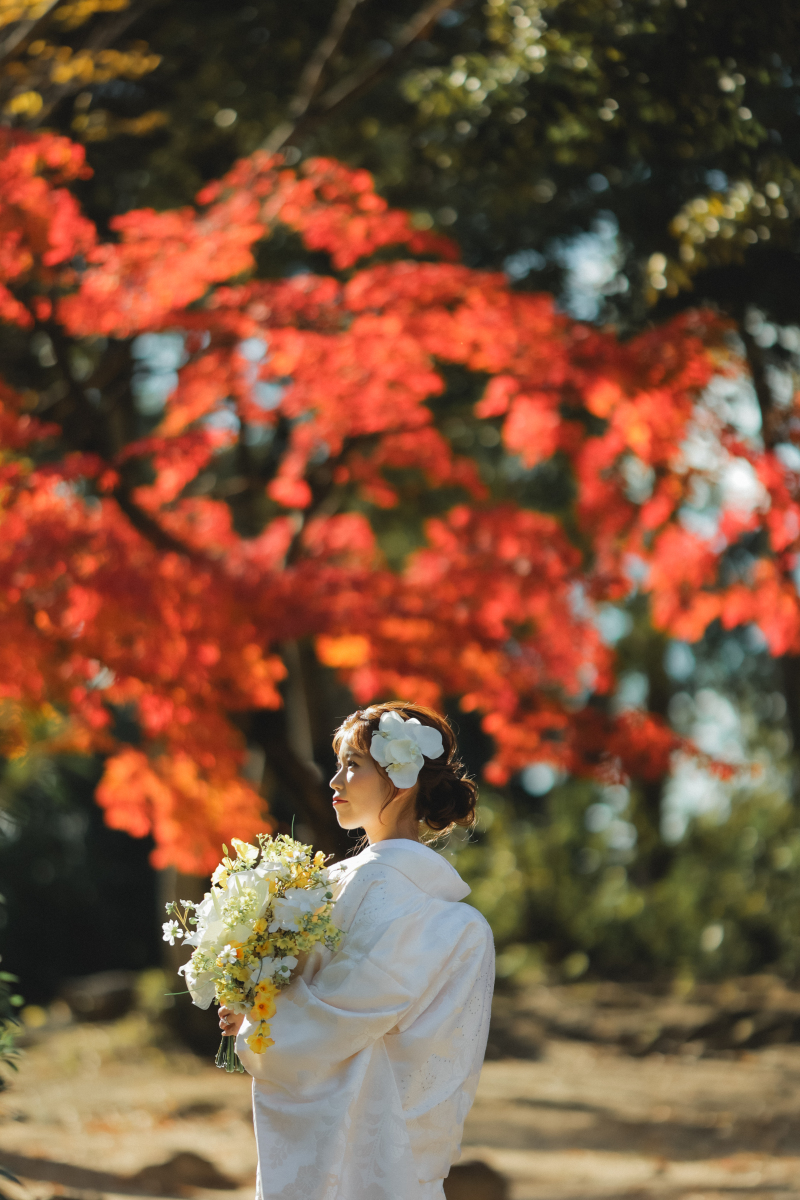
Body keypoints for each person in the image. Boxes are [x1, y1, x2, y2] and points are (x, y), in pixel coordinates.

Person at [218, 700, 495, 1200]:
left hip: (362, 1145)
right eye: (338, 764)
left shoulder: (396, 898)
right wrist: (255, 996)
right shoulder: (441, 915)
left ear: (401, 778)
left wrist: (261, 1018)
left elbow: (348, 1008)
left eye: (353, 765)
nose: (334, 780)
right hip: (398, 1156)